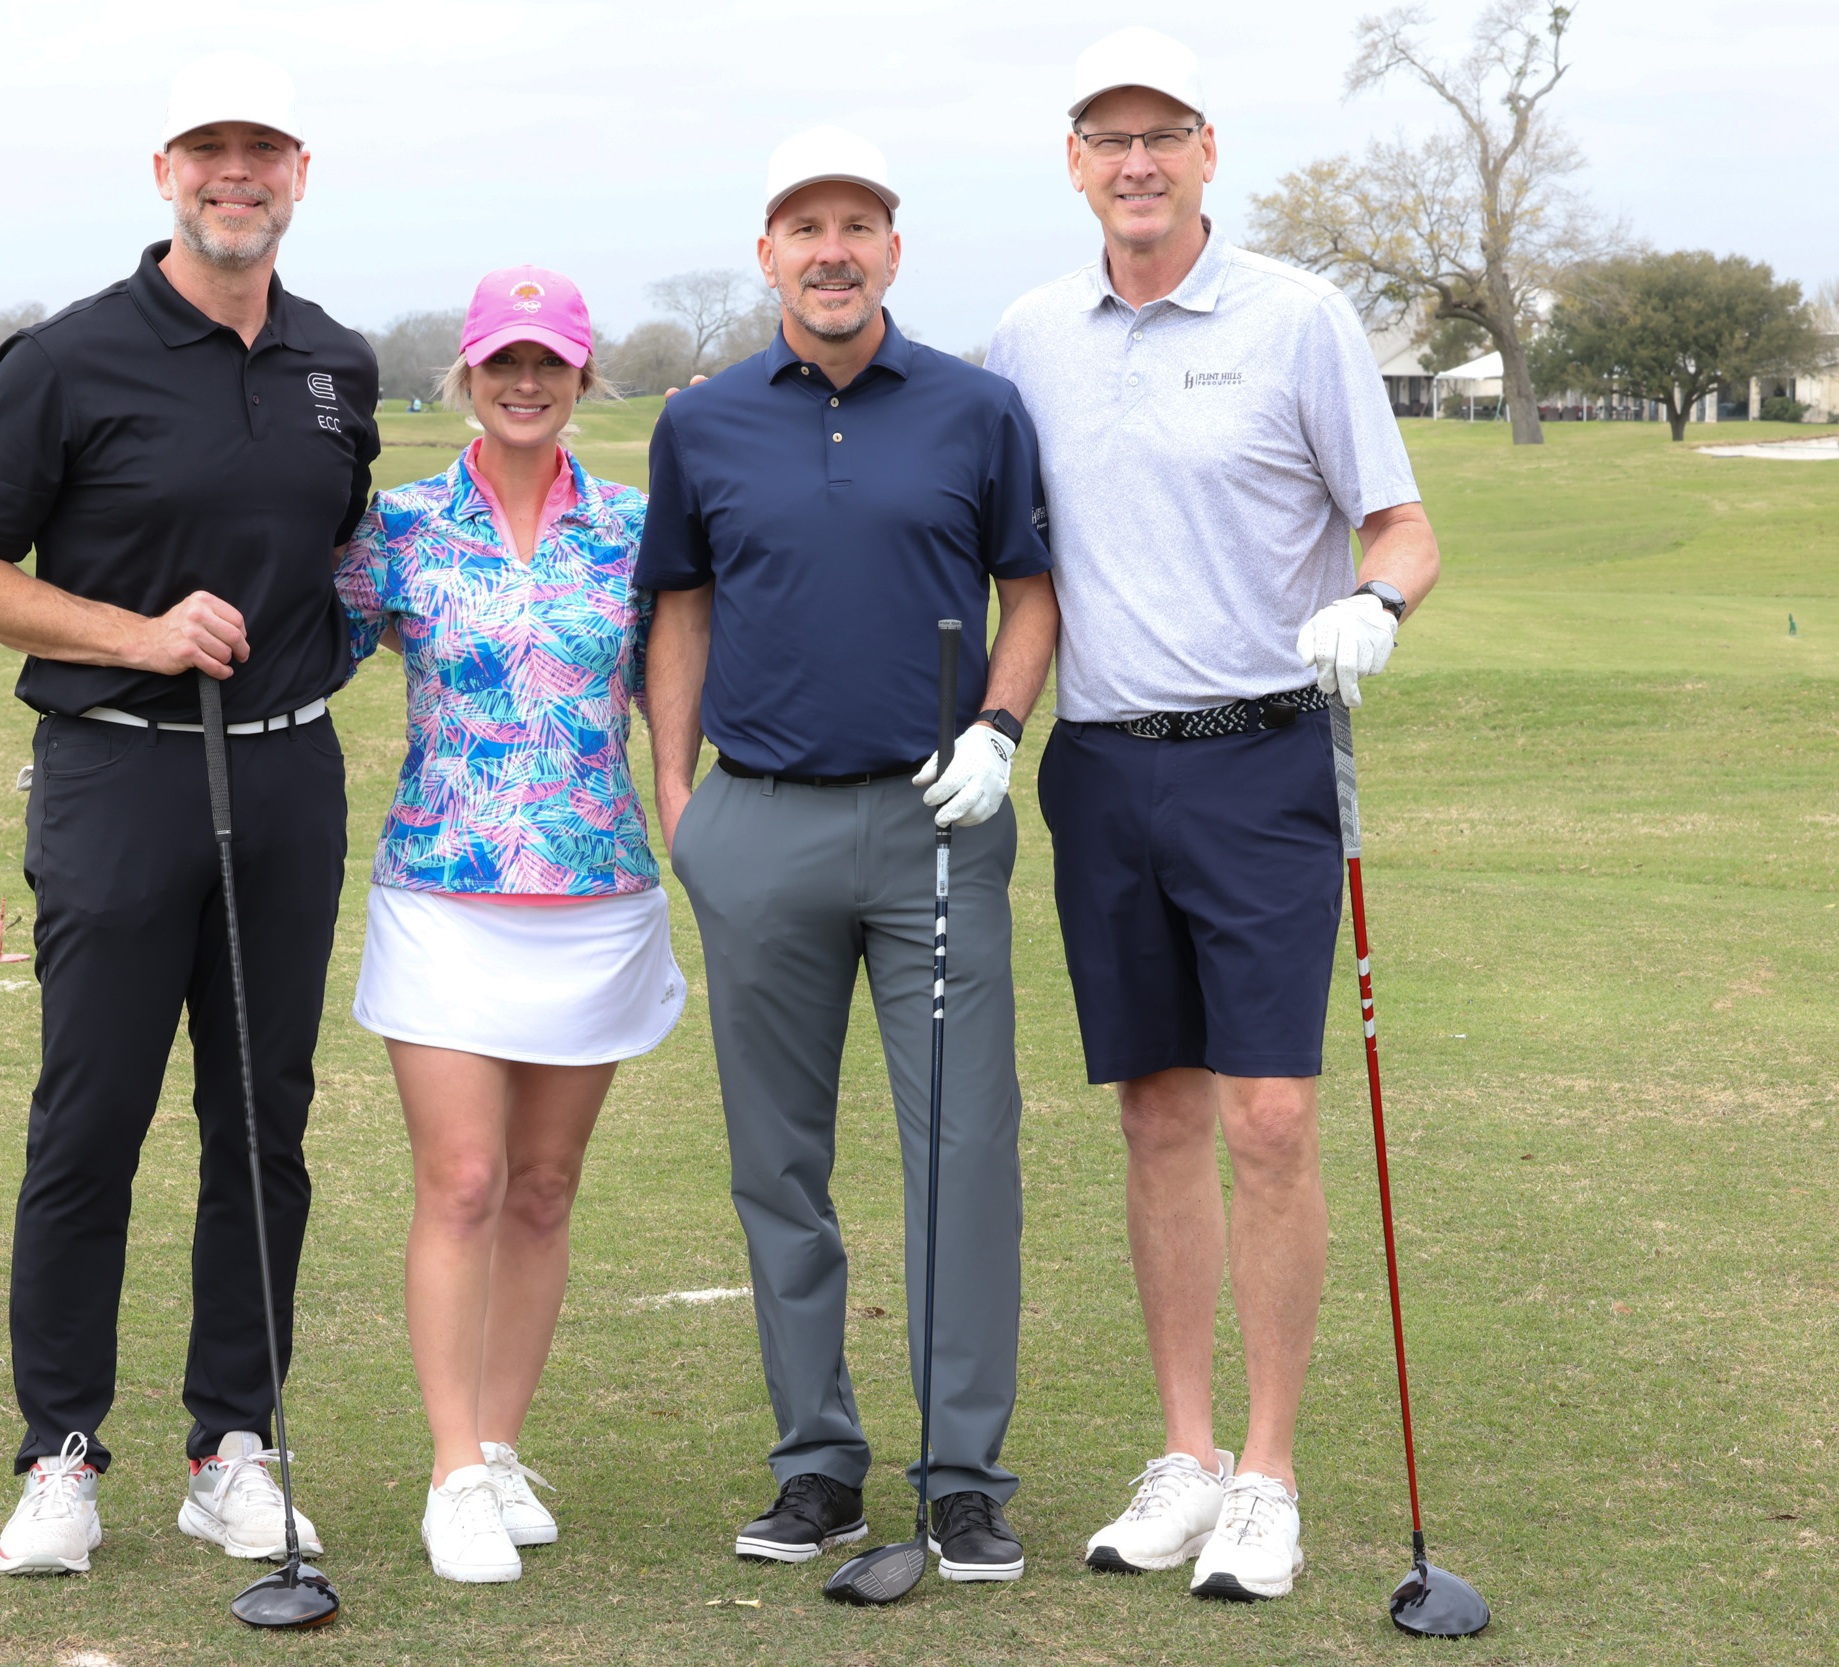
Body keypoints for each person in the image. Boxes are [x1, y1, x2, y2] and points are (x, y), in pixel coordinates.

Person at [985, 28, 1443, 1602]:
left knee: (1270, 1117)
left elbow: (1401, 522)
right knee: (1158, 1113)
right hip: (1104, 766)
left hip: (1263, 759)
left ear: (1205, 152)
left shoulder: (1297, 317)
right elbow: (1015, 561)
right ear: (1074, 163)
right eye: (1108, 138)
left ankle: (1268, 1472)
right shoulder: (1028, 337)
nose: (1137, 163)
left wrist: (1377, 601)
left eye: (1162, 135)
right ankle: (1183, 1458)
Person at [0, 52, 378, 1576]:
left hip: (288, 777)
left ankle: (230, 1446)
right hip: (120, 771)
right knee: (92, 1119)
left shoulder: (337, 363)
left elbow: (342, 547)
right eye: (208, 150)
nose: (236, 174)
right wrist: (136, 634)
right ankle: (59, 1453)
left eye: (263, 151)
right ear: (166, 173)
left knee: (263, 1123)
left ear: (298, 174)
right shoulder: (66, 359)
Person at [638, 126, 1060, 1584]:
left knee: (965, 1149)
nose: (833, 252)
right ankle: (816, 1464)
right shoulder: (702, 422)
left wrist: (999, 727)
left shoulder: (976, 408)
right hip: (759, 821)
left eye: (857, 226)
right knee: (778, 1161)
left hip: (936, 822)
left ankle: (963, 1477)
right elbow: (681, 609)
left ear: (892, 249)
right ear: (767, 255)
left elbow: (1030, 588)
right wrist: (681, 801)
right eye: (805, 229)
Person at [335, 265, 682, 1585]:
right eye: (503, 363)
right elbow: (314, 641)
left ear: (582, 376)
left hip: (593, 895)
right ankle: (451, 1474)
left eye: (549, 363)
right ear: (468, 375)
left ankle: (496, 1445)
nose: (525, 383)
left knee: (541, 1191)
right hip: (442, 890)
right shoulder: (401, 525)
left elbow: (680, 689)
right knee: (466, 1181)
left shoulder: (639, 529)